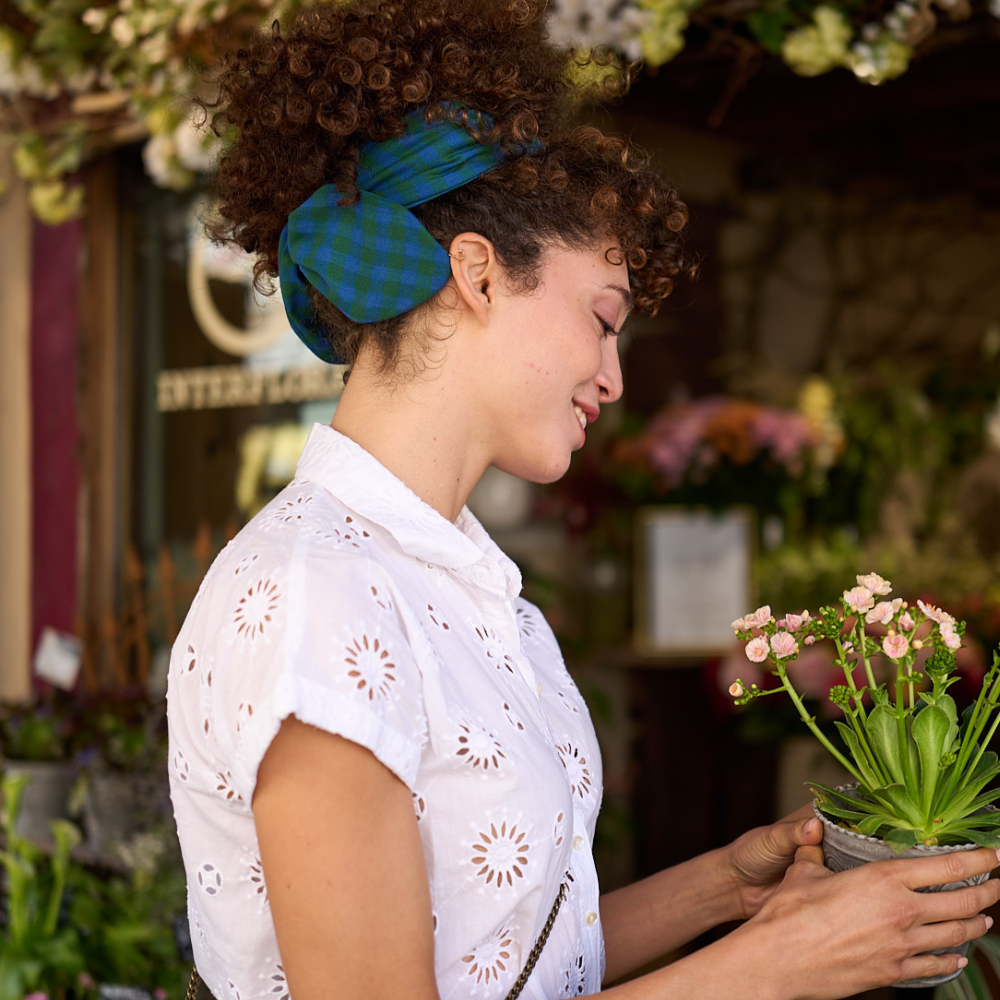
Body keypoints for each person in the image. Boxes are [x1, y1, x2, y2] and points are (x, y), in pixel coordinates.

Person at [166, 2, 1000, 998]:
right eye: (604, 319)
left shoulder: (449, 579)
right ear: (477, 274)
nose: (613, 376)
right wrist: (774, 966)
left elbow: (504, 956)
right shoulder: (319, 595)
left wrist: (725, 890)